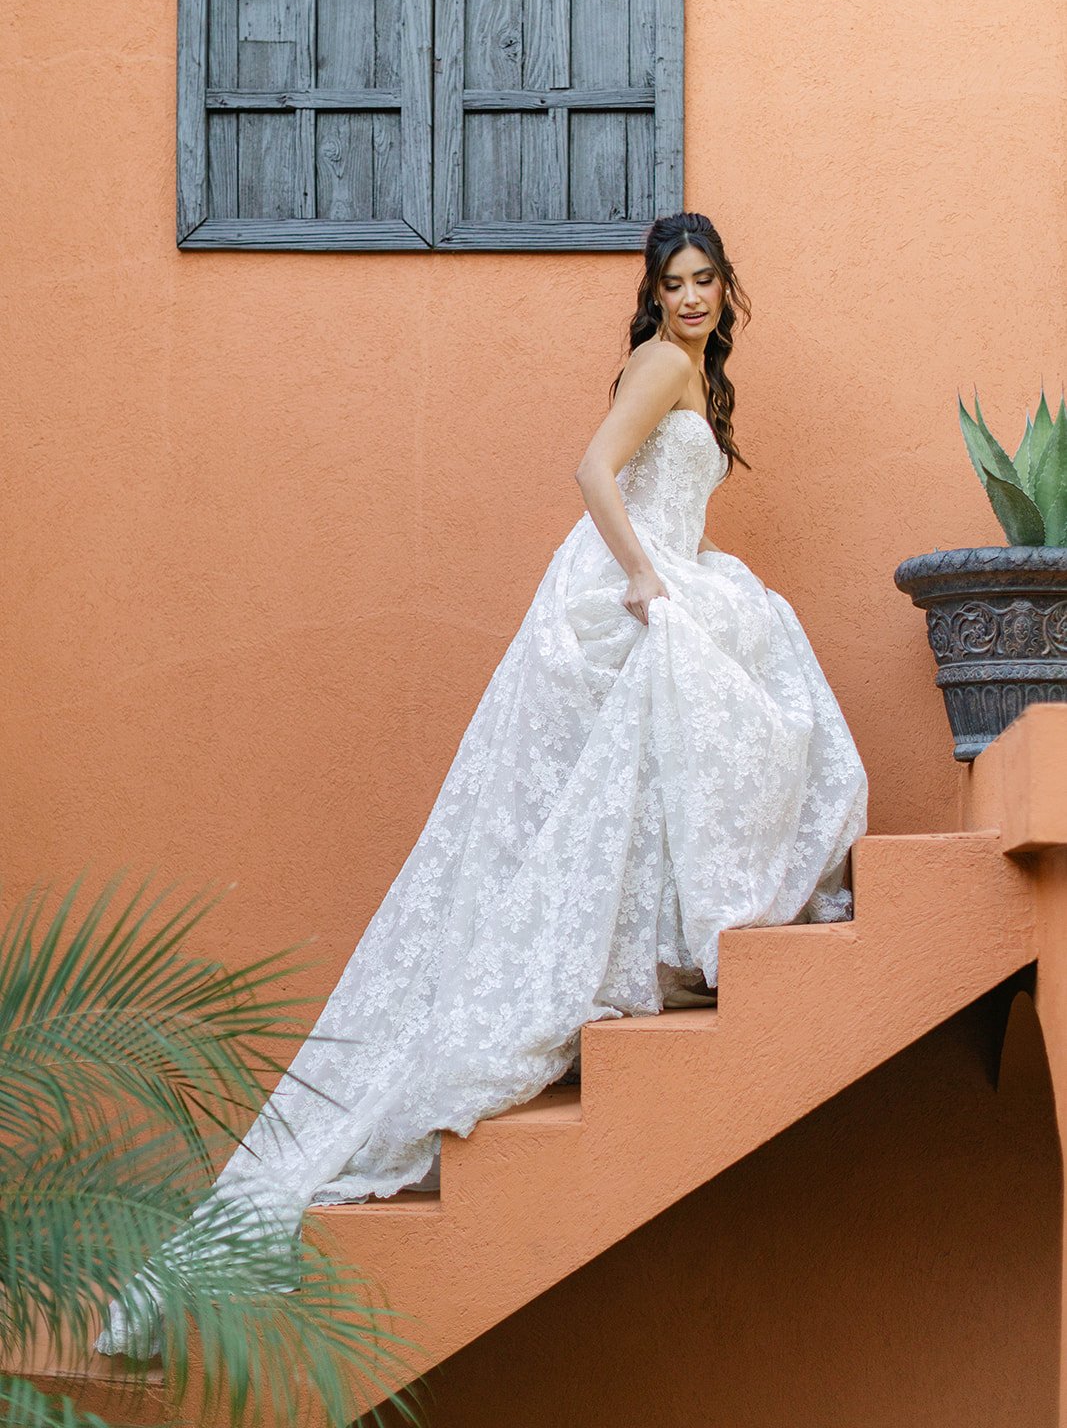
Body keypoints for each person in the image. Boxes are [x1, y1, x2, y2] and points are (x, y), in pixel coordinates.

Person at [95, 210, 867, 1358]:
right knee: (717, 705)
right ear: (652, 291)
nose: (692, 296)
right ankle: (700, 930)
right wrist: (652, 580)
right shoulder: (661, 363)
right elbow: (593, 470)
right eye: (675, 279)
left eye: (706, 280)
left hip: (649, 577)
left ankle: (681, 930)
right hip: (620, 587)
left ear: (726, 289)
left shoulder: (696, 375)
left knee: (641, 779)